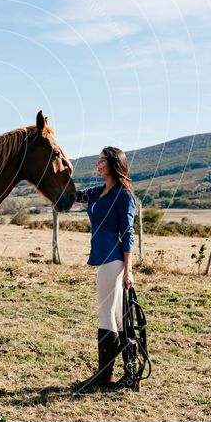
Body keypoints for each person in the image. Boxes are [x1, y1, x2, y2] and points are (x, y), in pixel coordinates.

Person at [75, 146, 137, 392]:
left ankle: (104, 377)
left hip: (114, 261)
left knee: (106, 314)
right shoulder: (98, 192)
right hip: (104, 259)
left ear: (113, 164)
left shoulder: (124, 196)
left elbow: (128, 234)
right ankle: (127, 373)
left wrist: (129, 270)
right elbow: (69, 198)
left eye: (102, 161)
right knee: (120, 319)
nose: (98, 164)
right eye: (98, 160)